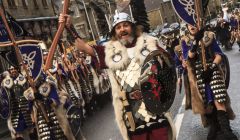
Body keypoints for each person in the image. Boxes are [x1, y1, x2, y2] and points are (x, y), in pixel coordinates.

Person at [59, 12, 176, 140]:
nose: (122, 30)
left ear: (132, 27)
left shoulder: (149, 43)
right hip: (132, 113)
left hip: (155, 107)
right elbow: (84, 47)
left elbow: (168, 66)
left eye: (125, 25)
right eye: (118, 27)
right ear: (115, 32)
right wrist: (69, 27)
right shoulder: (109, 51)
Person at [181, 23, 237, 140]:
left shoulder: (209, 36)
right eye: (189, 24)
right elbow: (189, 57)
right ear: (187, 26)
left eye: (194, 23)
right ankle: (215, 127)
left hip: (212, 69)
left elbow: (219, 55)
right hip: (198, 74)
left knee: (219, 99)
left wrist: (212, 68)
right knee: (206, 103)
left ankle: (227, 131)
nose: (192, 26)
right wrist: (196, 41)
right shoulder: (185, 41)